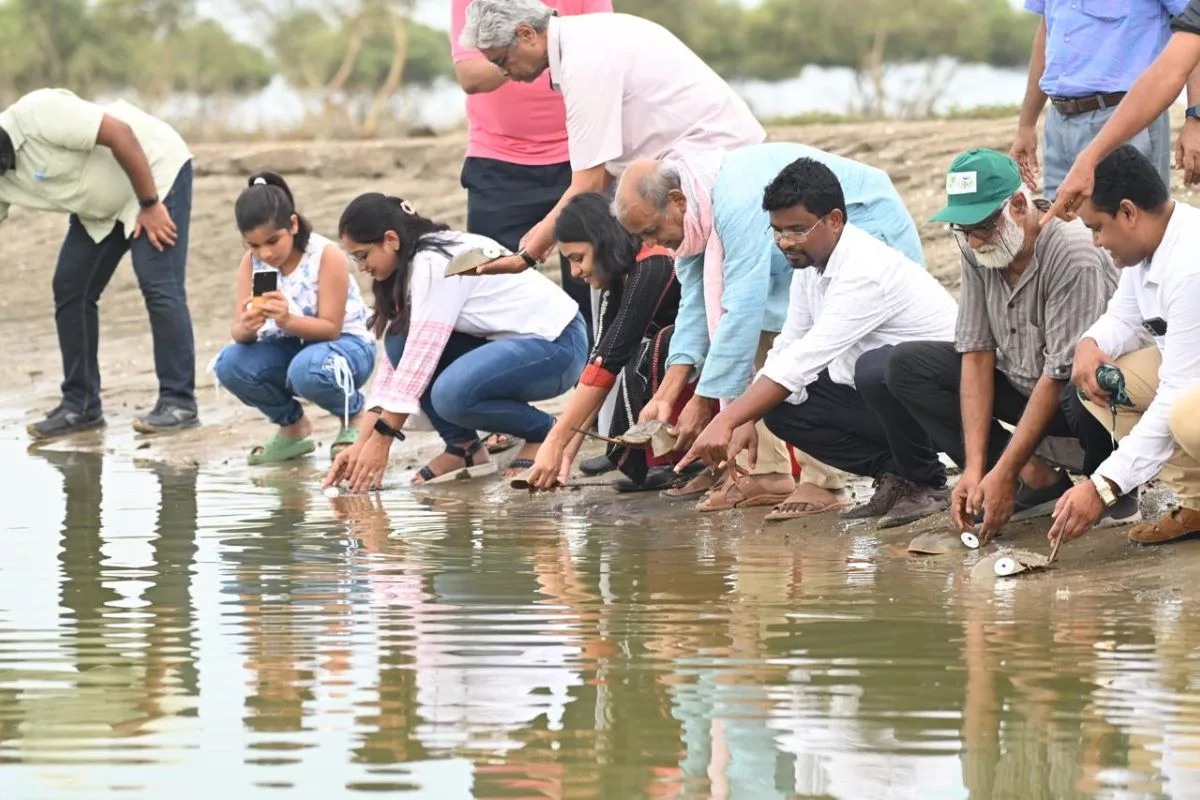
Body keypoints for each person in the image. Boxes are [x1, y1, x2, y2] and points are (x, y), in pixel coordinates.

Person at [611, 143, 926, 518]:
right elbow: (696, 301)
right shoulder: (697, 208)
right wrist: (667, 393)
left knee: (808, 348)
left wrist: (707, 404)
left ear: (677, 201)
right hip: (795, 248)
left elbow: (742, 303)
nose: (650, 244)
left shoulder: (735, 200)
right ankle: (767, 472)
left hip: (858, 225)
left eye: (651, 230)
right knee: (767, 338)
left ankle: (823, 480)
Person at [677, 158, 960, 530]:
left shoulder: (865, 271)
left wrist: (727, 419)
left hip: (944, 406)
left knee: (872, 369)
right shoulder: (812, 265)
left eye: (797, 230)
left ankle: (928, 482)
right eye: (777, 231)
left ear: (835, 220)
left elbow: (807, 359)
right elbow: (789, 344)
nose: (785, 243)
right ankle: (899, 476)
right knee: (784, 409)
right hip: (893, 401)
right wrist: (747, 415)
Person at [872, 149, 1132, 542]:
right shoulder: (979, 248)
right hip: (1027, 386)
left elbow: (1059, 374)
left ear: (1018, 204)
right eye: (964, 230)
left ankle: (1113, 487)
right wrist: (975, 469)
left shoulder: (1071, 252)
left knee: (1083, 384)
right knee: (907, 365)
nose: (975, 241)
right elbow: (976, 354)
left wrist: (1003, 470)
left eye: (983, 227)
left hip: (1086, 397)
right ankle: (1036, 481)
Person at [456, 0, 765, 277]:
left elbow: (588, 183)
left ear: (527, 35)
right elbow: (601, 170)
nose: (504, 74)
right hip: (700, 159)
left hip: (712, 164)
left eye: (501, 60)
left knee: (704, 279)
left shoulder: (584, 60)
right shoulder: (585, 38)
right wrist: (542, 238)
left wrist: (527, 254)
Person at [323, 193, 588, 493]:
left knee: (451, 394)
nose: (360, 267)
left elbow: (421, 356)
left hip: (558, 346)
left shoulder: (434, 262)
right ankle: (464, 449)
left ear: (391, 239)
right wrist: (362, 443)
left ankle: (544, 433)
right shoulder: (413, 264)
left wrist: (382, 441)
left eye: (361, 255)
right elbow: (400, 366)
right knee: (398, 339)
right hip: (512, 347)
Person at [450, 0, 611, 458]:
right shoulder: (472, 3)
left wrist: (533, 52)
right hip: (496, 160)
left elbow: (597, 51)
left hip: (580, 152)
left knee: (594, 289)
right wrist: (527, 54)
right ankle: (503, 411)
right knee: (489, 291)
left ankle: (598, 412)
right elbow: (470, 76)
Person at [0, 88, 199, 439]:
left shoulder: (38, 113)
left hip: (155, 173)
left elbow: (120, 133)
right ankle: (82, 406)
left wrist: (150, 204)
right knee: (70, 287)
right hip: (99, 210)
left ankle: (178, 402)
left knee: (157, 281)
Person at [1048, 145, 1200, 547]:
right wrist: (1089, 342)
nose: (1096, 242)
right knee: (1099, 381)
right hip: (1188, 378)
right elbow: (1124, 317)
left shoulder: (1190, 262)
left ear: (1129, 212)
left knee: (1185, 414)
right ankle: (1197, 505)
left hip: (1188, 389)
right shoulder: (1148, 250)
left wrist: (1102, 488)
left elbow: (1176, 393)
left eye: (1097, 227)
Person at [212, 173, 377, 465]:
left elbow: (330, 328)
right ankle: (292, 428)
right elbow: (238, 332)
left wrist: (286, 319)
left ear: (293, 224)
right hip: (292, 349)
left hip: (346, 348)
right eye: (253, 245)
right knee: (229, 363)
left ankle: (354, 416)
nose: (266, 252)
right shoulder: (253, 264)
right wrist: (247, 328)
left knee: (306, 369)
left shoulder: (326, 256)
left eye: (273, 240)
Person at [523, 193, 684, 492]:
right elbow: (600, 360)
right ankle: (636, 455)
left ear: (604, 242)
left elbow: (611, 360)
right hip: (676, 370)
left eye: (577, 259)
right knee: (616, 354)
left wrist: (554, 442)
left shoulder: (653, 263)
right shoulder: (619, 276)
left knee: (645, 349)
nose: (574, 273)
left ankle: (664, 459)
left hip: (698, 362)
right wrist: (567, 451)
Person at [1009, 0, 1200, 201]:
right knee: (1059, 225)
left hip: (1126, 122)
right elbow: (1047, 30)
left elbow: (1193, 32)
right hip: (1058, 124)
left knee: (1129, 222)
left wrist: (1196, 118)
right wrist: (1026, 125)